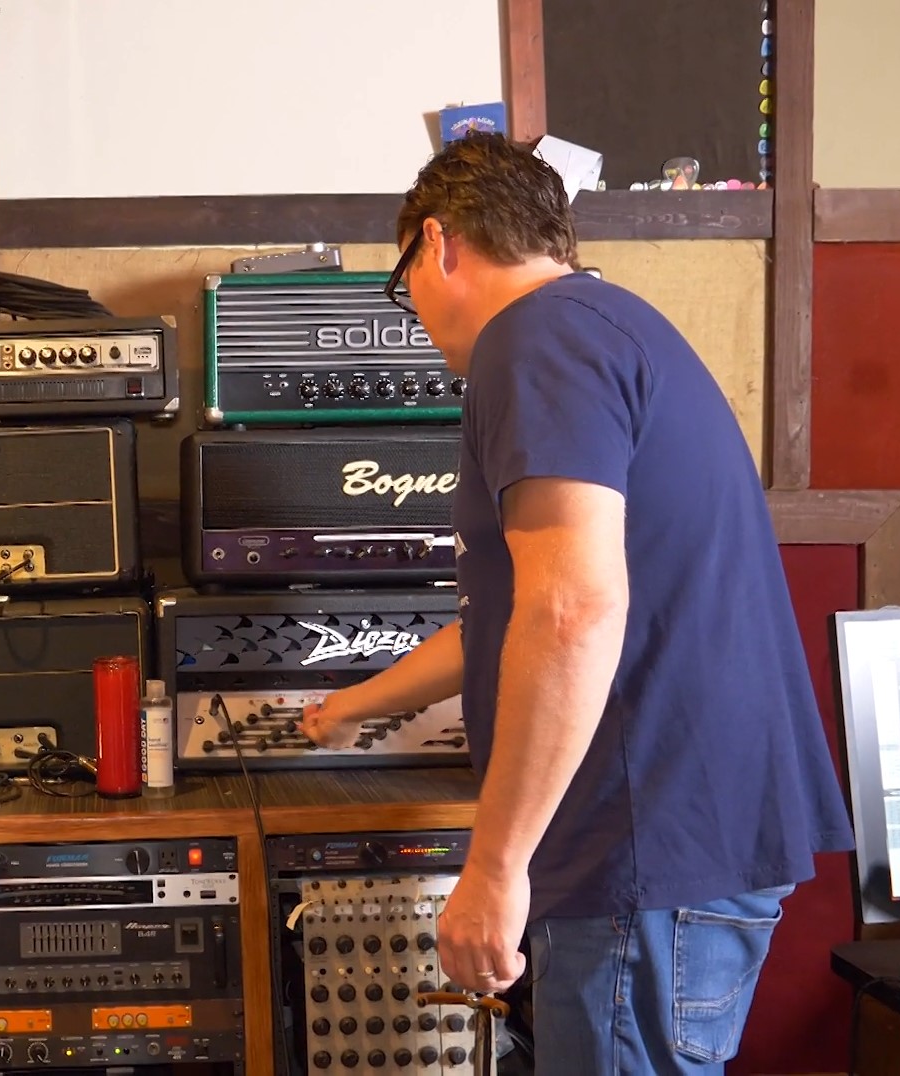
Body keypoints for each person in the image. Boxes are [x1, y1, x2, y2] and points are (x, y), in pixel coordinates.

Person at [302, 132, 853, 1073]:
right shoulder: (613, 323)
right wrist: (345, 708)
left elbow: (569, 614)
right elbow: (516, 619)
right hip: (686, 845)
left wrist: (493, 867)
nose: (418, 314)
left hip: (639, 857)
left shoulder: (534, 339)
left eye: (404, 285)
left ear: (437, 243)